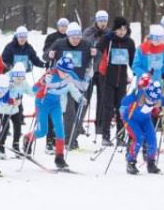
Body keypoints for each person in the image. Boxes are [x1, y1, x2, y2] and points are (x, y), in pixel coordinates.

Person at [22, 55, 84, 170]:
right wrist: (42, 82)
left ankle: (59, 158)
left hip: (56, 105)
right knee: (42, 131)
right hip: (42, 104)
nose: (65, 74)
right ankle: (27, 138)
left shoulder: (70, 75)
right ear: (58, 68)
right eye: (63, 71)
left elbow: (76, 87)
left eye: (68, 72)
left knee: (60, 130)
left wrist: (80, 98)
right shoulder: (50, 75)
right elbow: (33, 90)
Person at [49, 21, 92, 150]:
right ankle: (68, 140)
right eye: (73, 38)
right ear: (68, 36)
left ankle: (73, 138)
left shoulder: (86, 44)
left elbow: (96, 58)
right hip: (66, 83)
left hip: (81, 83)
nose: (76, 40)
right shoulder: (60, 43)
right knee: (69, 112)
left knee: (80, 111)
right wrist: (49, 54)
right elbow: (47, 55)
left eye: (78, 38)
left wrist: (94, 56)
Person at [95, 17, 135, 146]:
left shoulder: (129, 42)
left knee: (121, 108)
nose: (122, 32)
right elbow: (98, 50)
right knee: (108, 107)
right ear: (115, 29)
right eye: (119, 29)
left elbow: (132, 60)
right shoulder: (109, 39)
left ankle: (120, 136)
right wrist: (106, 38)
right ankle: (105, 135)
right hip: (107, 77)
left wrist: (137, 72)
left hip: (122, 79)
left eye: (124, 29)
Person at [119, 79, 164, 175]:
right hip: (131, 119)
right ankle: (131, 162)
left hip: (145, 120)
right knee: (139, 138)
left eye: (154, 100)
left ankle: (151, 162)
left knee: (152, 138)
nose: (151, 102)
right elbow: (123, 102)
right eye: (149, 99)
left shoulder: (156, 98)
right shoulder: (137, 96)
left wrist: (157, 111)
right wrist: (124, 110)